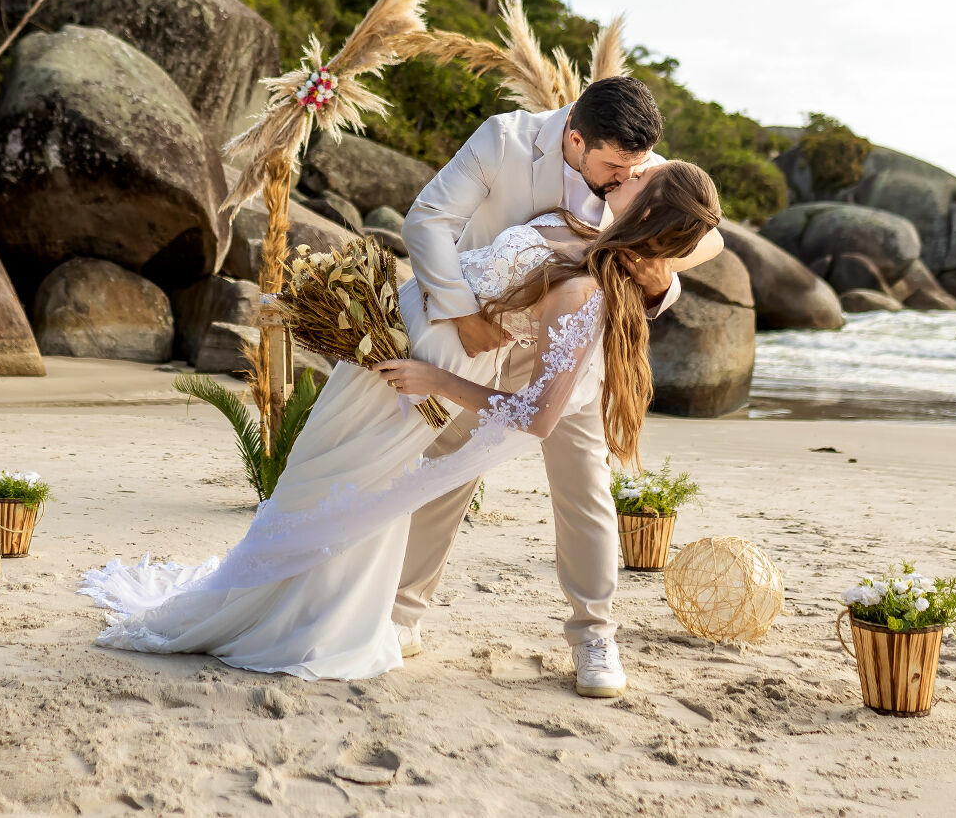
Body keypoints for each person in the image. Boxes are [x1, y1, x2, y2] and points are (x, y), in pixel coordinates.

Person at [79, 161, 722, 685]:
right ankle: (291, 600)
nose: (638, 166)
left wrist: (436, 381)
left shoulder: (587, 288)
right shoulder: (569, 203)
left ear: (643, 213)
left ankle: (303, 618)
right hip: (391, 348)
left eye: (644, 176)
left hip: (422, 376)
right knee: (317, 474)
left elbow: (539, 418)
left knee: (347, 487)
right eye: (636, 163)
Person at [395, 75, 682, 694]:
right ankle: (401, 616)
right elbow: (427, 219)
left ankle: (595, 636)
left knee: (584, 484)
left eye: (634, 165)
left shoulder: (639, 169)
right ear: (575, 139)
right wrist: (459, 315)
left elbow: (670, 257)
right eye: (612, 164)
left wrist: (658, 283)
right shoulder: (503, 139)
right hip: (485, 336)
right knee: (448, 468)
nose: (622, 177)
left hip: (573, 344)